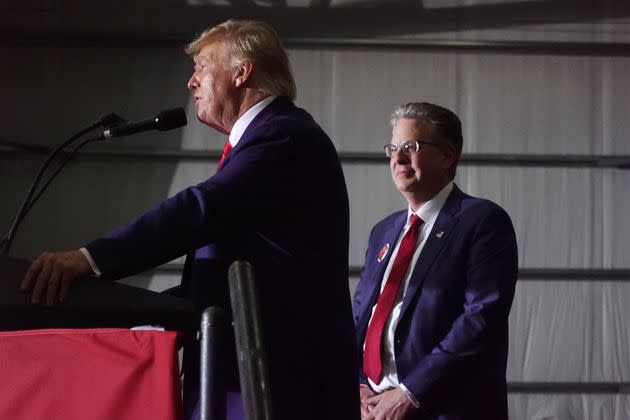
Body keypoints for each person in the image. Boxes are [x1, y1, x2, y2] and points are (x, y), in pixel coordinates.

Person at [21, 19, 360, 420]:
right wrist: (115, 315)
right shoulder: (262, 142)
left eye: (202, 65)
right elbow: (217, 278)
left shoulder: (286, 135)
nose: (191, 82)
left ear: (242, 71)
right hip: (242, 377)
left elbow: (201, 208)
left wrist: (90, 258)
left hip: (278, 384)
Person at [352, 102, 518, 420]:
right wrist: (358, 386)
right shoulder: (383, 232)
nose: (397, 157)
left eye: (410, 147)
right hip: (375, 410)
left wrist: (410, 393)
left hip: (442, 409)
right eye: (393, 148)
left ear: (446, 155)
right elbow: (362, 316)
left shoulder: (482, 221)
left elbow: (481, 320)